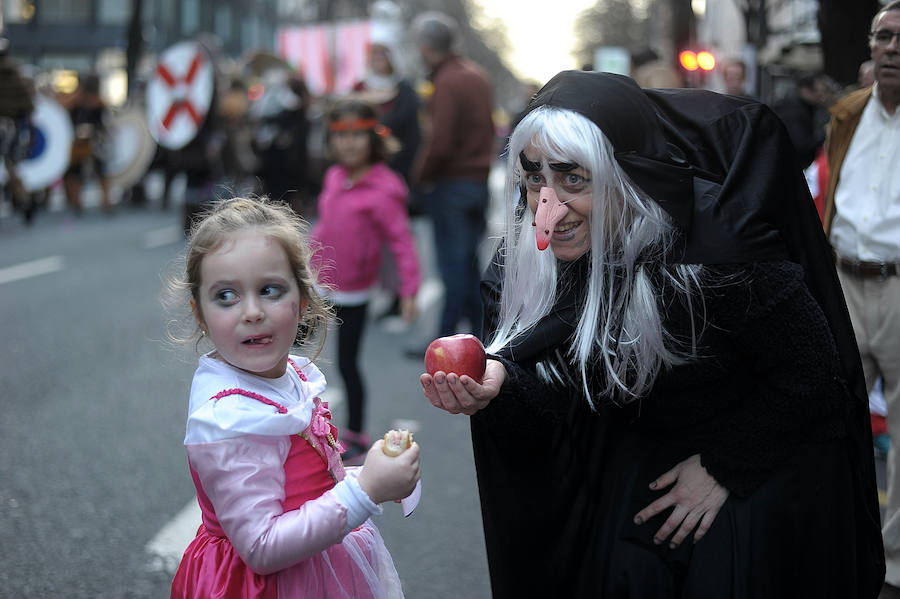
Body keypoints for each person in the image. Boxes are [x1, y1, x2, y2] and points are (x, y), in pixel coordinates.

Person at [421, 70, 884, 597]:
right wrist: (500, 388)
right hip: (642, 468)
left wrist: (724, 466)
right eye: (534, 178)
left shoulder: (720, 260)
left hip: (752, 468)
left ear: (627, 176)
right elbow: (566, 409)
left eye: (574, 179)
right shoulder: (536, 260)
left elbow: (813, 379)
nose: (546, 209)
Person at [167, 196, 420, 599]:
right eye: (226, 296)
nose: (251, 312)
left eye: (269, 290)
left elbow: (305, 486)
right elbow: (262, 548)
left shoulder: (290, 375)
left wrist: (374, 475)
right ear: (200, 314)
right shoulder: (228, 417)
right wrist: (364, 491)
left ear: (303, 302)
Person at [821, 3, 900, 597]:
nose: (894, 47)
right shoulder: (848, 113)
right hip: (846, 280)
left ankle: (893, 567)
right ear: (871, 46)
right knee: (831, 422)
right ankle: (834, 545)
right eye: (885, 36)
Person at [309, 99, 421, 461]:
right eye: (342, 135)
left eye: (358, 134)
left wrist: (409, 291)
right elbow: (324, 227)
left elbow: (402, 241)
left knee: (347, 364)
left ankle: (356, 433)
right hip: (318, 281)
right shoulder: (334, 177)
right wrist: (302, 268)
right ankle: (291, 423)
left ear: (373, 138)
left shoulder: (383, 187)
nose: (350, 143)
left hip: (354, 290)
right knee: (295, 353)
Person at [409, 10, 494, 345]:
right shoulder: (477, 76)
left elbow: (440, 142)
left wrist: (420, 176)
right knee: (470, 265)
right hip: (477, 183)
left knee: (453, 268)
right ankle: (481, 335)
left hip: (452, 186)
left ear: (427, 46)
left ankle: (444, 342)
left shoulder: (445, 82)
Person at [61, 72, 113, 215]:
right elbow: (65, 124)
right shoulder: (73, 104)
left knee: (101, 170)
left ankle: (107, 202)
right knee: (75, 171)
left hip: (96, 142)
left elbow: (106, 125)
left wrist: (95, 131)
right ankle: (76, 202)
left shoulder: (101, 105)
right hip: (77, 143)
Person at [771, 73, 830, 169]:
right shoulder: (792, 110)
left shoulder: (809, 107)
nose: (821, 96)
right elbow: (802, 145)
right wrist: (824, 133)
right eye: (816, 91)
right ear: (804, 90)